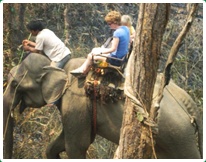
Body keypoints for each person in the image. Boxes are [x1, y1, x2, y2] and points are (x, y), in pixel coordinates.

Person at [70, 11, 130, 75]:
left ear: (115, 22)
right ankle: (82, 68)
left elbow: (113, 49)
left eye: (109, 24)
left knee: (91, 56)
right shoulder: (126, 28)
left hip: (115, 59)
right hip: (122, 57)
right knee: (94, 50)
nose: (109, 26)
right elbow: (130, 41)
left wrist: (100, 53)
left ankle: (83, 71)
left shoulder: (117, 33)